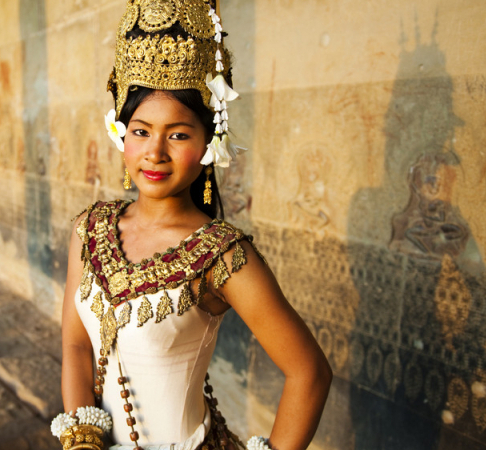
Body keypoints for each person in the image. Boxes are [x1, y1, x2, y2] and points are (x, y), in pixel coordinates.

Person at [54, 2, 332, 450]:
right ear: (120, 133)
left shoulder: (222, 254)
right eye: (141, 131)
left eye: (179, 134)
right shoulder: (89, 230)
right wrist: (81, 438)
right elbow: (75, 345)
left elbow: (310, 372)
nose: (155, 152)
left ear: (209, 141)